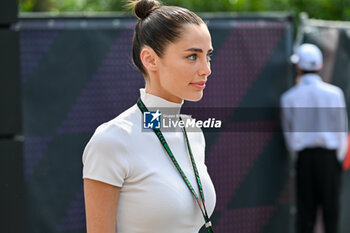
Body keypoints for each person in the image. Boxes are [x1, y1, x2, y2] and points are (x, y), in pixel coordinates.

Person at [82, 0, 216, 232]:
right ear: (150, 59)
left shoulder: (192, 131)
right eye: (193, 56)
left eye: (208, 56)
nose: (206, 69)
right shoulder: (113, 139)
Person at [281, 43, 348, 233]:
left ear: (299, 67)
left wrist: (298, 157)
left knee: (305, 214)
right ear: (319, 66)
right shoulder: (335, 94)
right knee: (331, 212)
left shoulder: (289, 97)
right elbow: (342, 129)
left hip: (305, 158)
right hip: (330, 158)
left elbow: (289, 135)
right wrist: (337, 159)